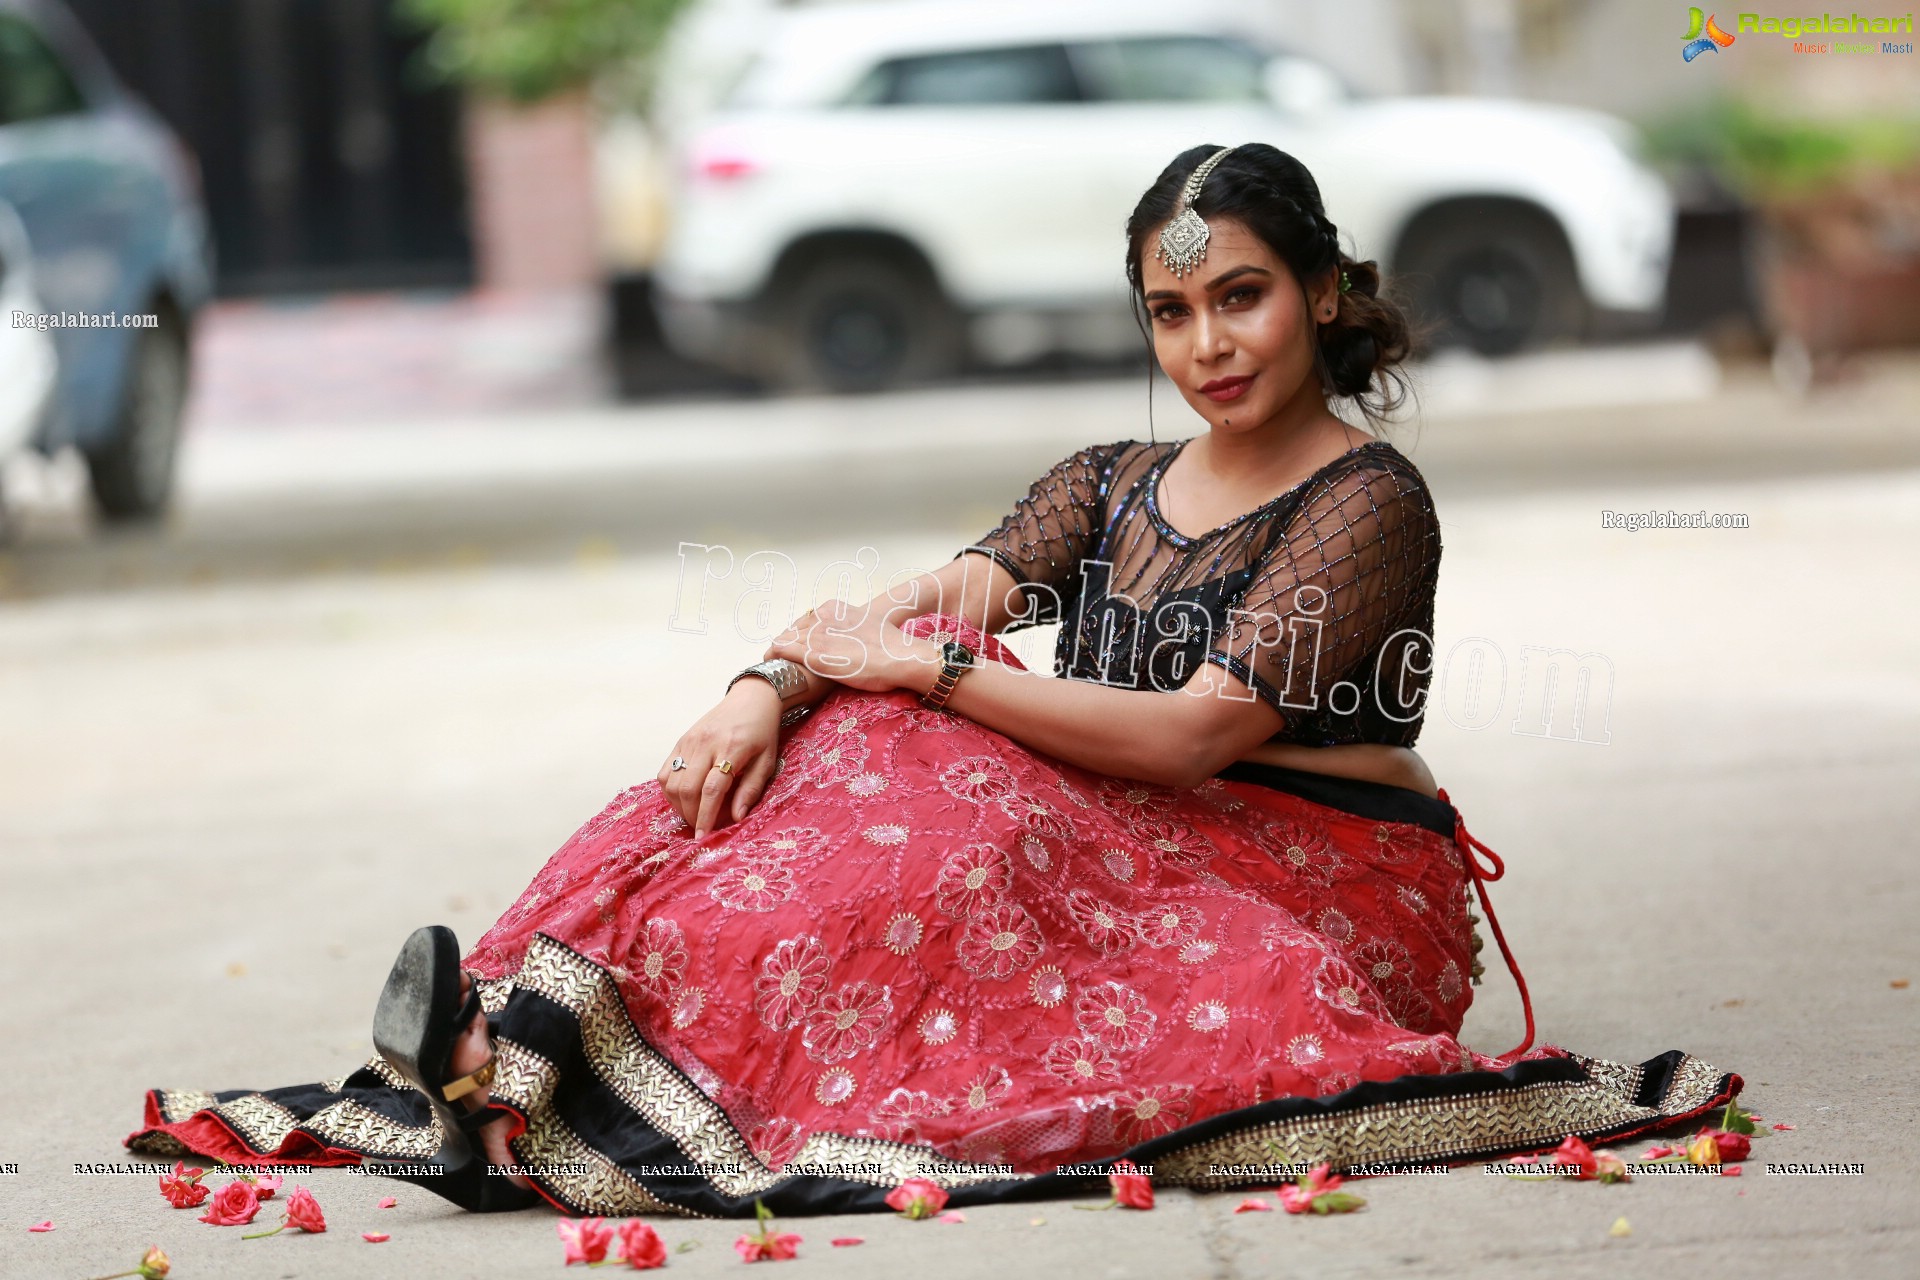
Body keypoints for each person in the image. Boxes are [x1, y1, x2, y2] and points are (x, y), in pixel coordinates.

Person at [127, 144, 1740, 1217]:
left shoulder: (1367, 503)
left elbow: (1189, 740)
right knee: (867, 738)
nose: (1208, 345)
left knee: (933, 764)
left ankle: (543, 1058)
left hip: (1320, 883)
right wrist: (767, 682)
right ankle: (516, 1027)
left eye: (1240, 296)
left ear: (1322, 292)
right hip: (1123, 836)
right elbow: (906, 609)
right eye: (1170, 311)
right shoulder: (1112, 477)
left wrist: (929, 674)